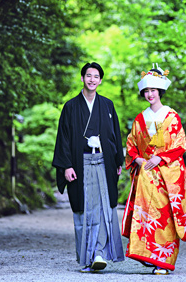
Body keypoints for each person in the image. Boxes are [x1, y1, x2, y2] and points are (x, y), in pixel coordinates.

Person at [122, 63, 186, 275]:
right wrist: (138, 160)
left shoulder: (172, 117)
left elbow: (180, 145)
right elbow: (131, 145)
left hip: (167, 174)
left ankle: (163, 260)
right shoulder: (140, 119)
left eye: (153, 91)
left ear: (160, 92)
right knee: (146, 215)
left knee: (165, 215)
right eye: (146, 91)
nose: (150, 94)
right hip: (146, 175)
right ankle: (146, 256)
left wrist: (160, 158)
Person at [52, 62, 125, 273]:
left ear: (100, 80)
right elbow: (63, 138)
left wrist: (117, 161)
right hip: (80, 163)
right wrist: (66, 166)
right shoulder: (71, 107)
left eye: (96, 76)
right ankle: (87, 257)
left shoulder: (107, 105)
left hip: (104, 162)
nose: (92, 79)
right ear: (82, 78)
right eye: (88, 75)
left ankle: (99, 253)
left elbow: (114, 135)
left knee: (104, 208)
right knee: (84, 210)